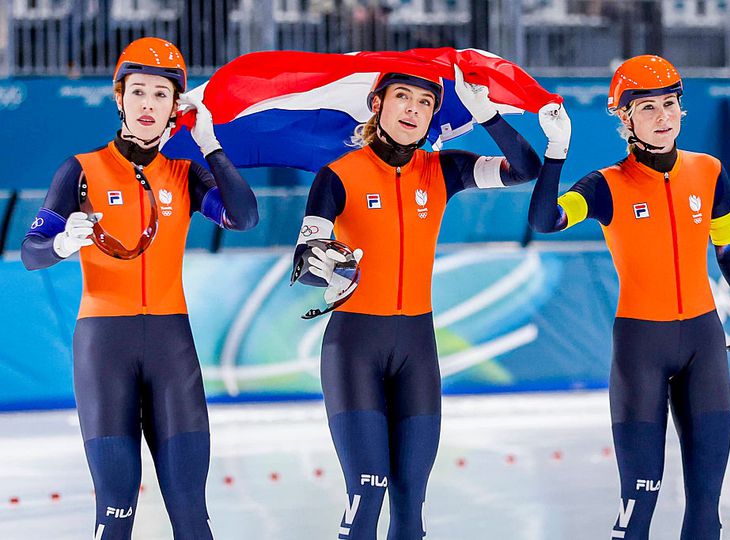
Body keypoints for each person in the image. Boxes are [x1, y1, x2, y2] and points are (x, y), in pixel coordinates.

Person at [528, 55, 730, 540]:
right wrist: (556, 153)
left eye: (670, 104)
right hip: (640, 349)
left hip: (703, 344)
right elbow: (545, 221)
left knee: (706, 507)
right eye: (647, 107)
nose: (663, 116)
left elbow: (729, 250)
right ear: (624, 118)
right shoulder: (605, 186)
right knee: (639, 503)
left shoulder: (709, 173)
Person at [21, 37, 259, 539]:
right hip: (104, 347)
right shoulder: (80, 171)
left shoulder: (184, 172)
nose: (148, 105)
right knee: (116, 510)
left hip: (171, 348)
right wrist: (61, 243)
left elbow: (243, 216)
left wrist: (210, 144)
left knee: (192, 514)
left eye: (160, 94)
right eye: (138, 92)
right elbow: (30, 251)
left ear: (176, 106)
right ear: (118, 96)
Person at [293, 66, 542, 539]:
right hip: (354, 347)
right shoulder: (337, 177)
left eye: (425, 102)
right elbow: (305, 262)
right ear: (377, 105)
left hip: (416, 348)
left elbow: (525, 169)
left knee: (410, 504)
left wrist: (488, 115)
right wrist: (326, 265)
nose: (413, 109)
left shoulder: (444, 170)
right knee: (367, 491)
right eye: (402, 97)